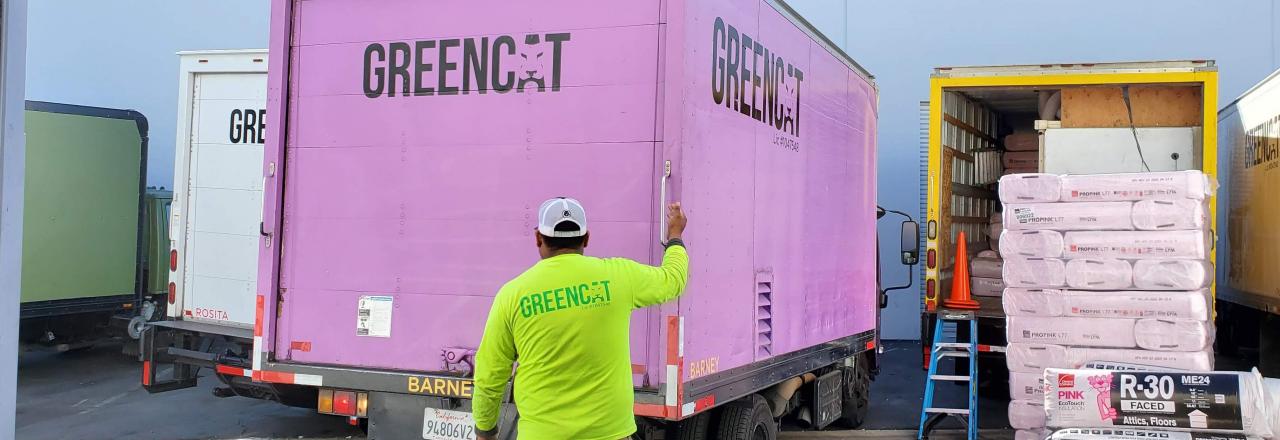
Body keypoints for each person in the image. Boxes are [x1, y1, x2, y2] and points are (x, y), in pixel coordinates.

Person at [472, 197, 689, 440]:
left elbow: (490, 376)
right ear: (586, 238)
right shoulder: (618, 277)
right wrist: (675, 235)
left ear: (538, 239)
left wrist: (485, 431)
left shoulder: (512, 295)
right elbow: (673, 280)